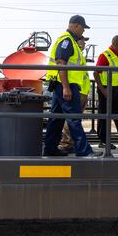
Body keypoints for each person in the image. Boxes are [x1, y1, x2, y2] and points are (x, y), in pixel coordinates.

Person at [43, 15, 101, 157]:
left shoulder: (70, 41)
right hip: (66, 85)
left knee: (56, 118)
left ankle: (50, 149)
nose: (83, 32)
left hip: (61, 84)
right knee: (74, 117)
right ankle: (84, 150)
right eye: (83, 28)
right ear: (76, 25)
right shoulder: (67, 40)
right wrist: (66, 87)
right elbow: (61, 63)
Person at [59, 36, 90, 153]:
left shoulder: (80, 55)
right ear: (77, 42)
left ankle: (70, 143)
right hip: (77, 90)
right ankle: (66, 144)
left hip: (82, 91)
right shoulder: (73, 52)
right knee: (72, 119)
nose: (85, 43)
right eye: (83, 40)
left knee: (75, 119)